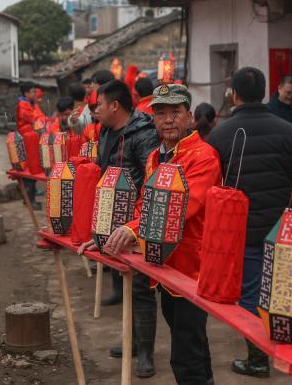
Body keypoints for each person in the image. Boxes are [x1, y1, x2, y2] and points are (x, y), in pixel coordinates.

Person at [102, 83, 222, 385]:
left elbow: (180, 208)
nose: (168, 120)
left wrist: (131, 230)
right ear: (152, 118)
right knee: (191, 342)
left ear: (189, 116)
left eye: (175, 112)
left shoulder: (203, 156)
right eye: (161, 113)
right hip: (164, 266)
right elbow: (145, 203)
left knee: (185, 353)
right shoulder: (156, 156)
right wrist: (108, 232)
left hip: (192, 268)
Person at [208, 67, 292, 378]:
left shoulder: (220, 134)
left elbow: (213, 187)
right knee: (282, 290)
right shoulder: (288, 130)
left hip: (241, 230)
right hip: (282, 227)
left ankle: (258, 359)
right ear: (265, 92)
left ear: (234, 95)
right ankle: (287, 353)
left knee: (250, 294)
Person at [79, 80, 160, 377]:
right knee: (127, 284)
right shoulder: (105, 132)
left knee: (141, 288)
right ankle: (133, 340)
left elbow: (151, 178)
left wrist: (137, 222)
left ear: (115, 105)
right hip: (112, 217)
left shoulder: (144, 133)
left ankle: (145, 352)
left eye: (98, 105)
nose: (95, 110)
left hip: (136, 222)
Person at [15, 81, 42, 210]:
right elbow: (35, 118)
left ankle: (32, 195)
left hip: (31, 139)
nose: (35, 94)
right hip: (27, 141)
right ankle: (30, 200)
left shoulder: (28, 104)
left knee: (33, 167)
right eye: (32, 92)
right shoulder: (23, 105)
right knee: (30, 169)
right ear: (26, 93)